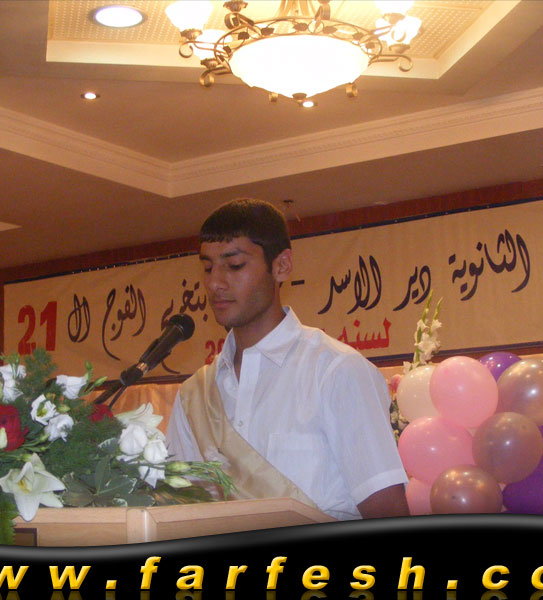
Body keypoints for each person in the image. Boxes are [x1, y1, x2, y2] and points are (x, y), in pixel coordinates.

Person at [166, 198, 409, 520]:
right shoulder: (194, 396)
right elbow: (174, 514)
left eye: (234, 265)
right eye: (208, 267)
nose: (214, 283)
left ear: (281, 266)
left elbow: (387, 512)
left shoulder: (335, 371)